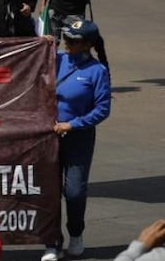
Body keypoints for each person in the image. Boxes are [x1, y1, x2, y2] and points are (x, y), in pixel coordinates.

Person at [45, 19, 111, 261]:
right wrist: (45, 46)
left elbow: (102, 109)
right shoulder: (57, 59)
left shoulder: (97, 71)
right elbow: (29, 67)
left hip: (78, 139)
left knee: (73, 191)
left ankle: (75, 233)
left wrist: (72, 125)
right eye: (66, 38)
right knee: (48, 192)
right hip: (49, 138)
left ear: (87, 45)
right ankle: (51, 242)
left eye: (73, 41)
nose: (67, 43)